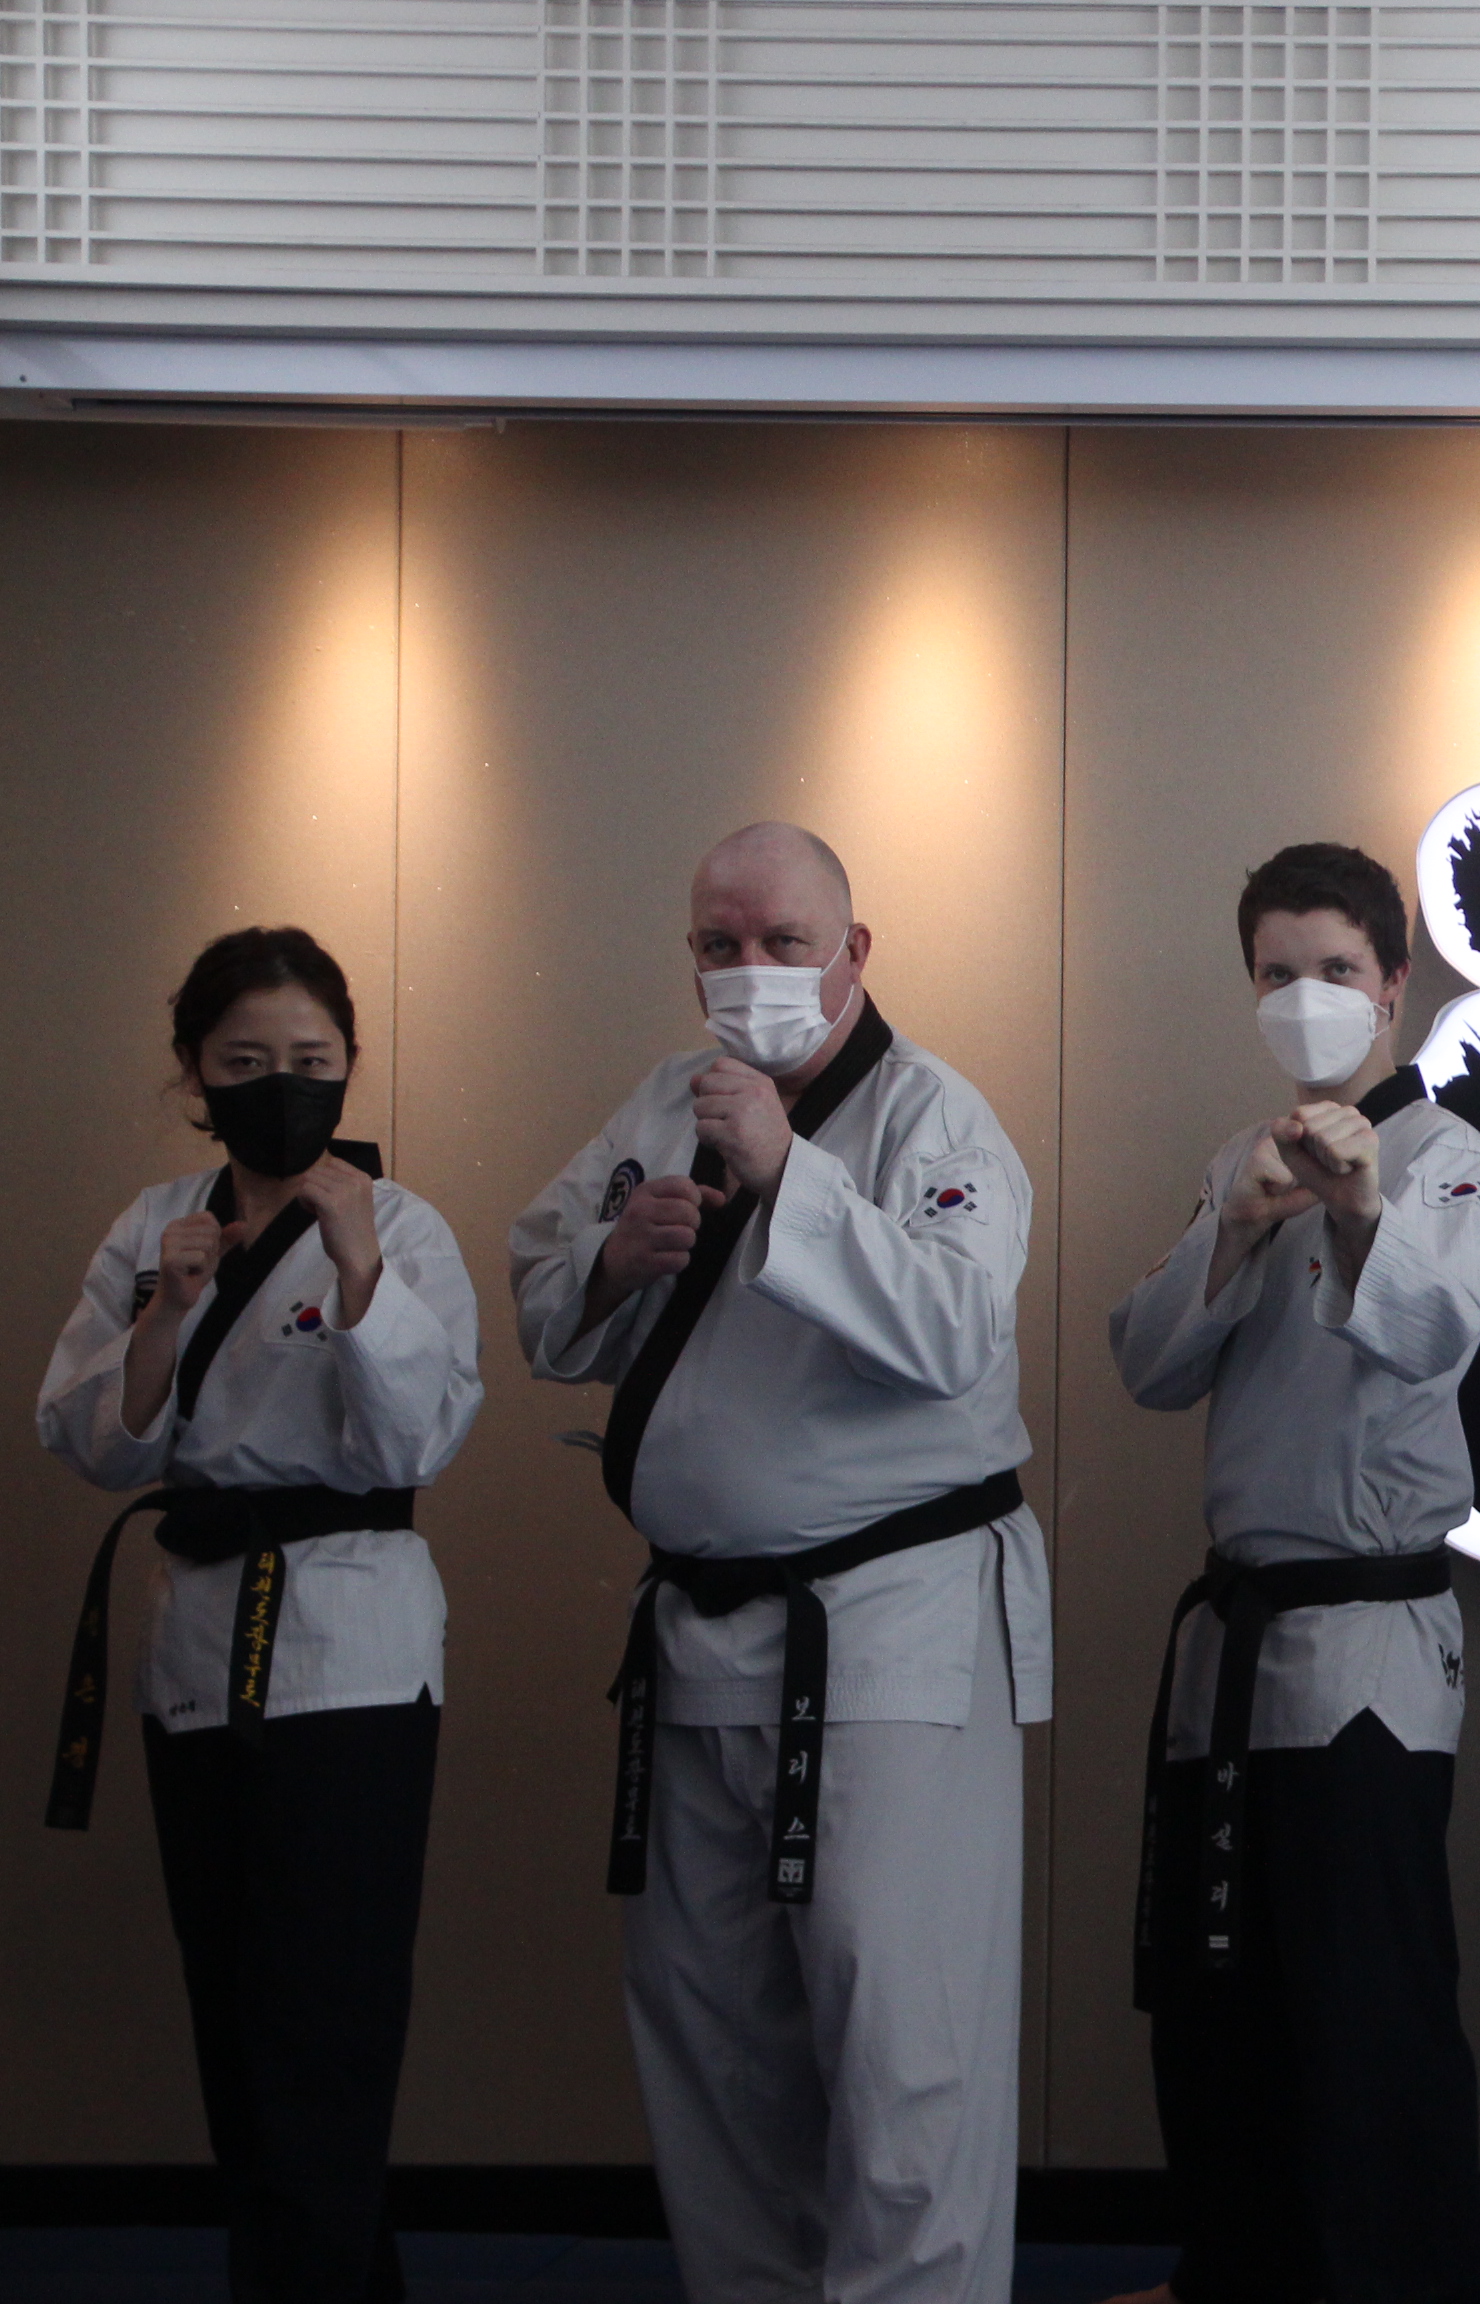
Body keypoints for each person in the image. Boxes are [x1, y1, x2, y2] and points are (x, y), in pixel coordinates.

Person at [509, 822, 1044, 2304]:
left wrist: (788, 1175)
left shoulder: (936, 1120)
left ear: (853, 952)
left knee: (902, 2045)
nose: (751, 969)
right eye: (720, 944)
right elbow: (542, 1302)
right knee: (715, 2039)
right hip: (701, 1638)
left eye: (784, 942)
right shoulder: (657, 1106)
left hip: (894, 1636)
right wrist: (612, 1261)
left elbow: (956, 1331)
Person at [38, 926, 483, 2304]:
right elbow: (88, 1440)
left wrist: (358, 1273)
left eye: (309, 1058)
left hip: (351, 1654)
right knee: (235, 2011)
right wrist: (166, 1313)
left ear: (349, 1067)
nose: (280, 1086)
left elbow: (418, 1439)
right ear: (193, 1075)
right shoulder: (152, 1226)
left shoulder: (402, 1227)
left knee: (324, 2023)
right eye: (244, 1063)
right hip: (195, 1642)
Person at [1103, 843, 1480, 2304]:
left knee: (1369, 2010)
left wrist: (1357, 1211)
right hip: (1237, 1642)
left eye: (1336, 969)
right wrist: (1238, 1225)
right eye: (1279, 973)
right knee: (1222, 2001)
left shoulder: (1447, 1155)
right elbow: (1148, 1363)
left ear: (1393, 986)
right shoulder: (1240, 1161)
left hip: (1368, 1644)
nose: (1308, 995)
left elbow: (1439, 1334)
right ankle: (1235, 2271)